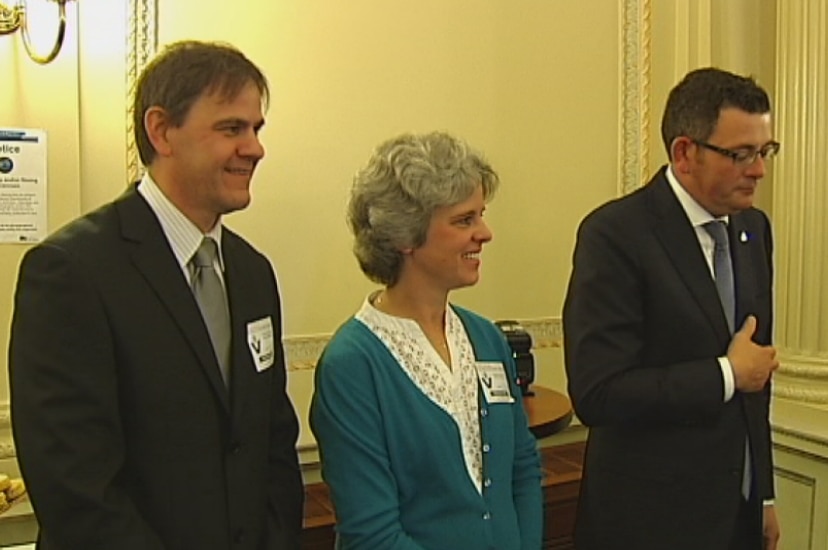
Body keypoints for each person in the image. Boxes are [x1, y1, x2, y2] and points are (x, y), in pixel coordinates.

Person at [9, 41, 303, 549]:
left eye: (256, 129)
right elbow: (75, 485)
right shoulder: (72, 272)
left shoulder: (254, 274)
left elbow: (270, 444)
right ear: (162, 130)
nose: (254, 148)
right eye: (232, 128)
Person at [563, 67, 782, 550]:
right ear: (685, 153)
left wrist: (762, 493)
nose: (759, 170)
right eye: (741, 154)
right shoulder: (615, 235)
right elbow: (599, 392)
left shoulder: (753, 230)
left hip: (736, 515)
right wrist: (726, 374)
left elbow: (758, 381)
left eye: (765, 151)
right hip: (650, 523)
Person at [310, 132, 543, 550]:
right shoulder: (352, 364)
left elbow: (522, 469)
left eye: (481, 215)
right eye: (464, 220)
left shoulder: (486, 338)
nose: (485, 233)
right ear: (405, 237)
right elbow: (372, 533)